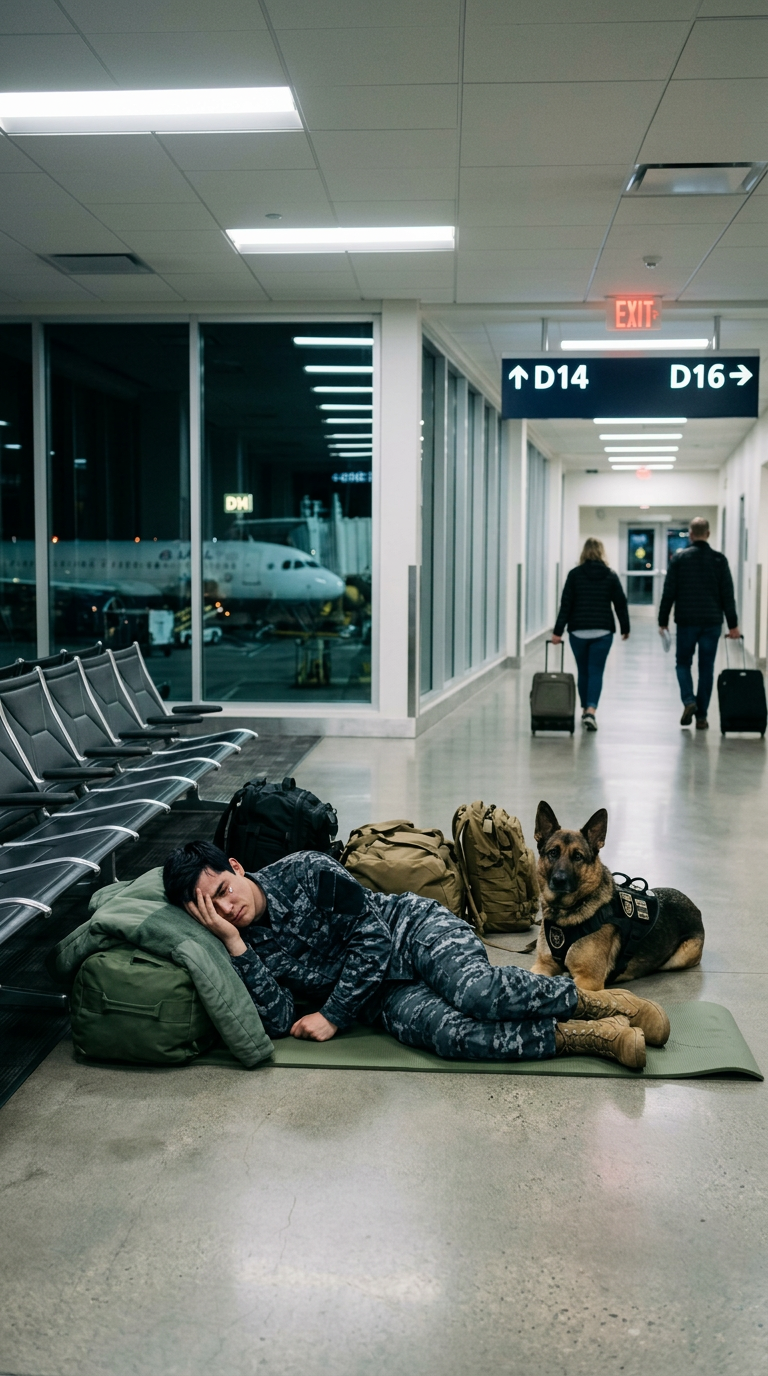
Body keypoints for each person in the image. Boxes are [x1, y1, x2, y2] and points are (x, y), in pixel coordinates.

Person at [162, 840, 671, 1070]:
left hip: (412, 931)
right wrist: (234, 944)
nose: (231, 907)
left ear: (235, 864)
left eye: (226, 889)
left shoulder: (307, 870)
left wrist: (333, 1015)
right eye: (214, 909)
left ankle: (602, 1003)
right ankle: (593, 1038)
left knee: (474, 991)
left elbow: (374, 940)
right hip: (382, 996)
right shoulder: (241, 941)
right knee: (450, 1035)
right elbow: (274, 1019)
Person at [658, 516, 740, 730]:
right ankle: (702, 717)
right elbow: (727, 595)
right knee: (706, 668)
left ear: (691, 535)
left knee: (683, 663)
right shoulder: (719, 561)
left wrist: (663, 621)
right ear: (709, 534)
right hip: (712, 622)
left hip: (686, 621)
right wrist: (733, 625)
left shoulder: (679, 559)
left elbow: (669, 593)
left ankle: (689, 700)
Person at [552, 537, 630, 732]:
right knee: (596, 671)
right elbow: (620, 603)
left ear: (584, 552)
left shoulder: (574, 575)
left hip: (578, 631)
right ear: (601, 552)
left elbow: (566, 605)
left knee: (583, 671)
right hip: (602, 631)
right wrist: (625, 627)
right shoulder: (610, 575)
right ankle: (591, 710)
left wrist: (557, 632)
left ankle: (584, 708)